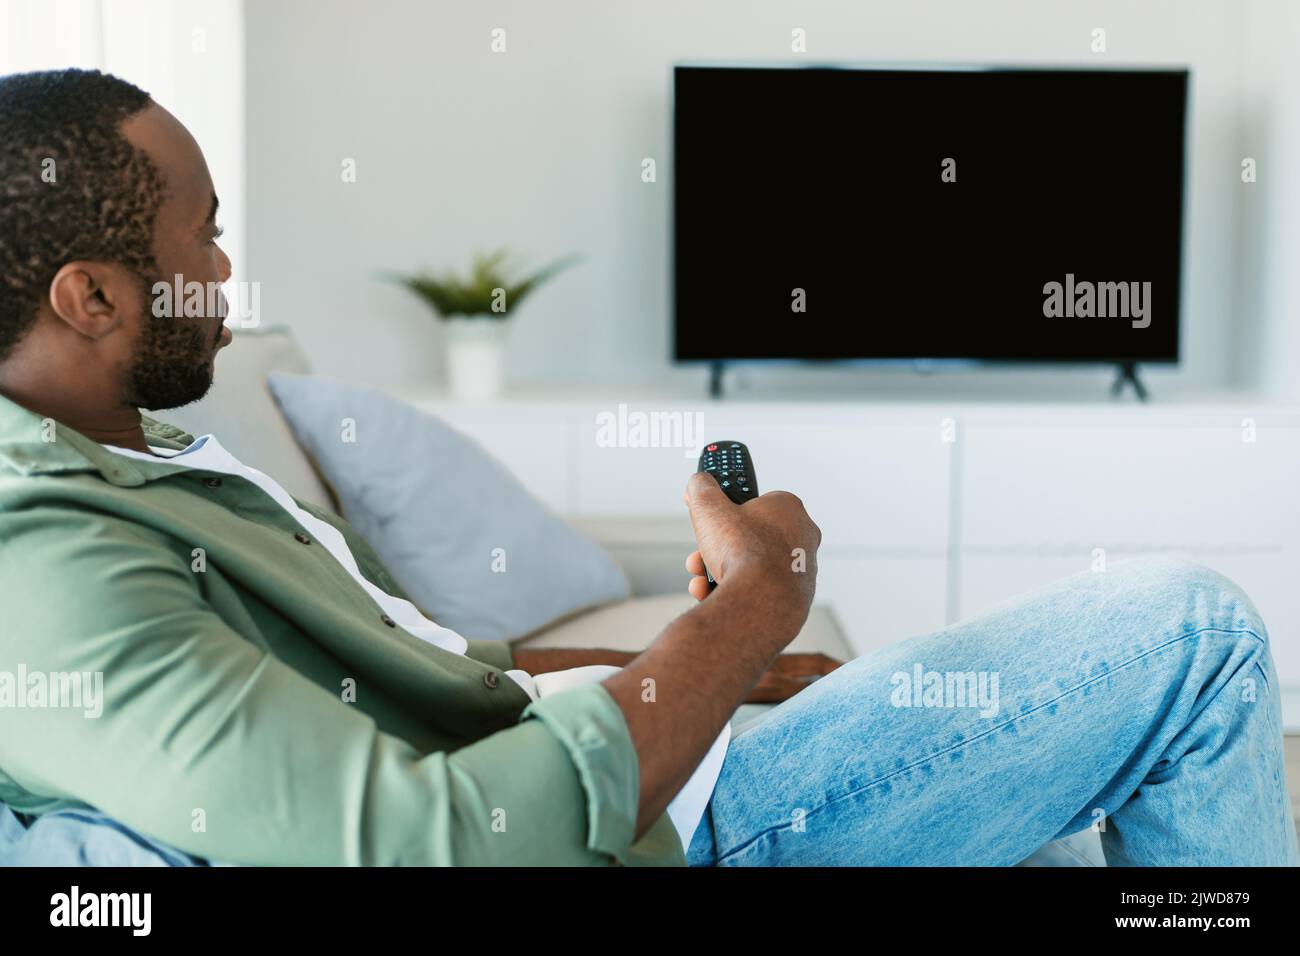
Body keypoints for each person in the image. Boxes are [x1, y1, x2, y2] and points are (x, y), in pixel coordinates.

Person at [0, 69, 1294, 866]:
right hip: (667, 823)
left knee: (1080, 808)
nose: (227, 273)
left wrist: (732, 659)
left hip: (673, 758)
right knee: (1191, 634)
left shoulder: (153, 459)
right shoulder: (45, 561)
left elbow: (426, 674)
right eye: (206, 237)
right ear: (92, 295)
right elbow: (428, 844)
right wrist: (753, 607)